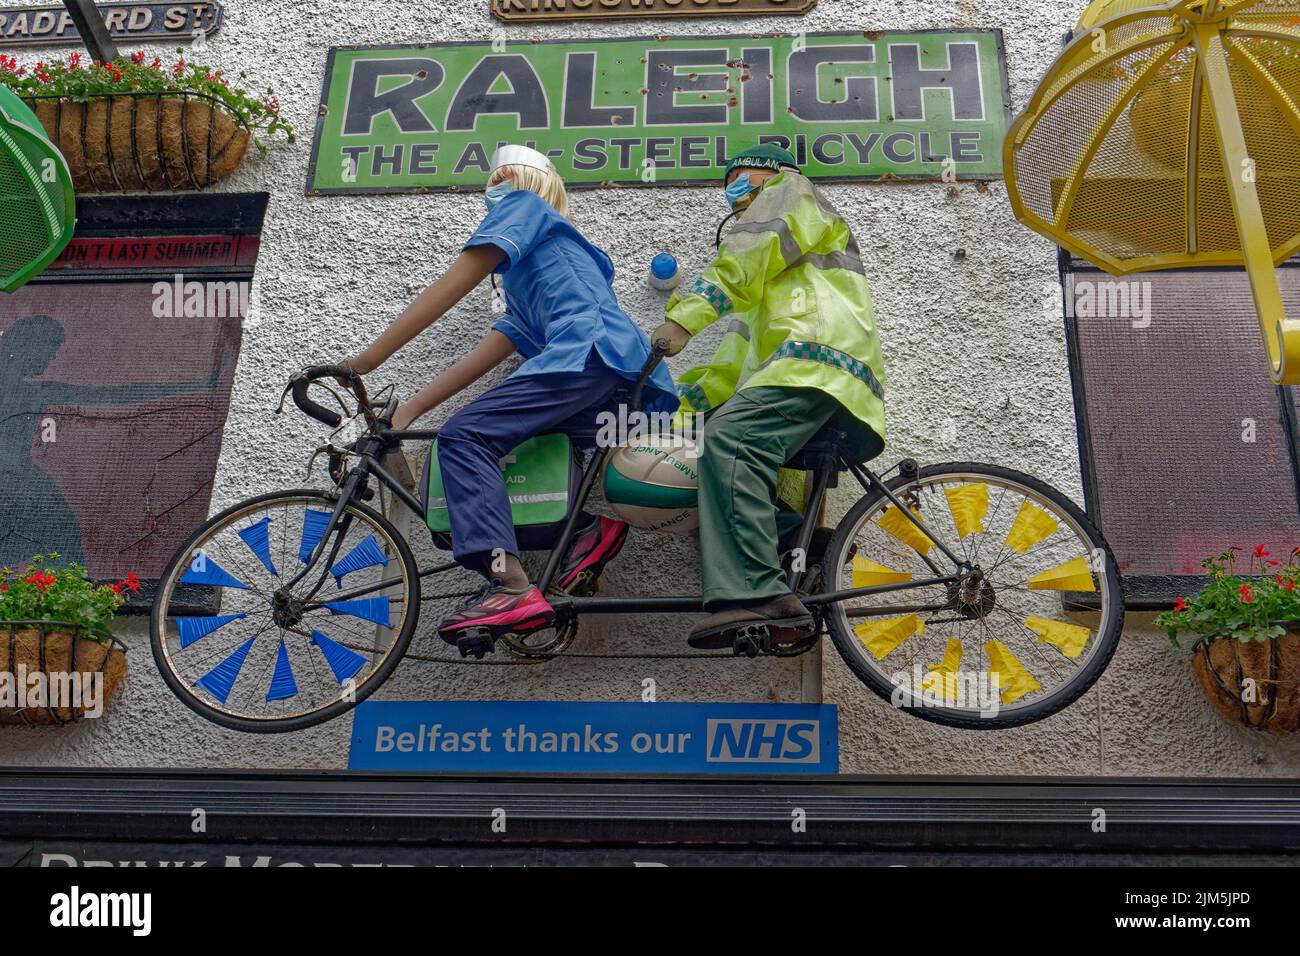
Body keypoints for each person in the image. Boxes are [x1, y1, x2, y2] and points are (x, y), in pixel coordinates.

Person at [339, 144, 677, 644]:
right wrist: (407, 413)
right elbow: (492, 349)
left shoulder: (527, 210)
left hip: (584, 350)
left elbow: (453, 283)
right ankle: (587, 533)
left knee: (464, 439)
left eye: (502, 174)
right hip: (610, 377)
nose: (493, 184)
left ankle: (510, 586)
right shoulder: (532, 272)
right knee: (515, 445)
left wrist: (363, 362)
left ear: (531, 182)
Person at [653, 144, 888, 649]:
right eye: (728, 181)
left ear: (774, 173)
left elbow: (744, 258)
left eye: (744, 175)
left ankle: (757, 592)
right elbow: (732, 367)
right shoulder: (767, 295)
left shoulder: (790, 191)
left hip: (817, 361)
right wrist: (673, 412)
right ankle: (800, 542)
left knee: (733, 442)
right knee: (709, 468)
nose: (735, 187)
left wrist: (683, 319)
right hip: (799, 370)